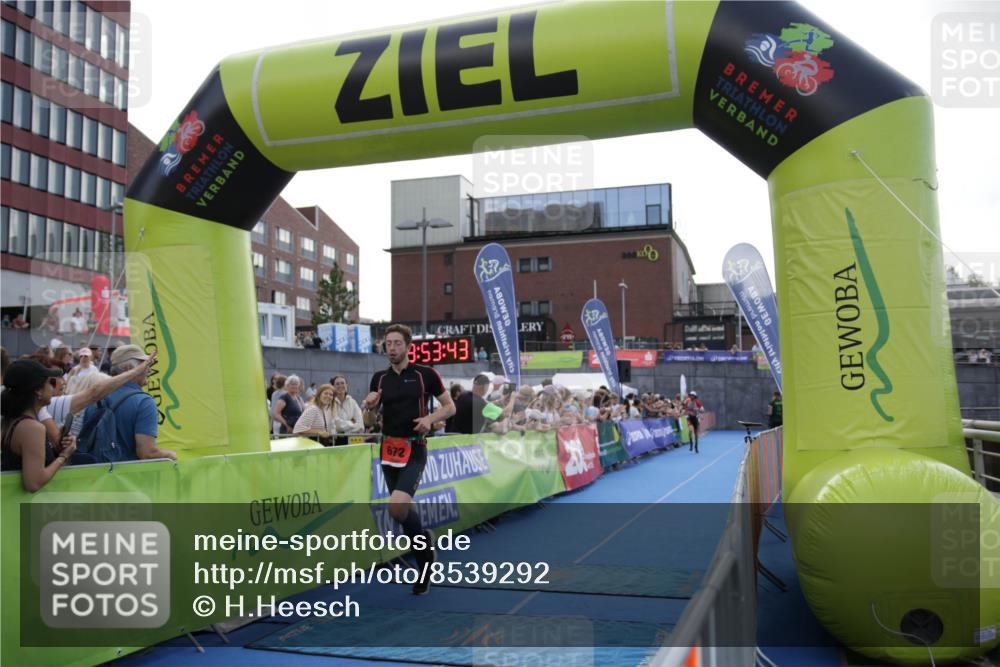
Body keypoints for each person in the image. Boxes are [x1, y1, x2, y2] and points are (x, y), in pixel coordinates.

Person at [365, 324, 455, 595]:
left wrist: (429, 418)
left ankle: (424, 557)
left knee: (395, 508)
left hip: (415, 448)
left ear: (407, 346)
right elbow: (369, 421)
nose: (391, 348)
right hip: (389, 449)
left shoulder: (425, 375)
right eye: (387, 344)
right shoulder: (379, 379)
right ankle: (425, 549)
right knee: (401, 510)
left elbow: (450, 407)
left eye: (396, 343)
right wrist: (368, 407)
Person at [87, 345, 176, 461]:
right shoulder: (144, 402)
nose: (149, 369)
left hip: (94, 475)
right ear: (129, 369)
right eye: (144, 365)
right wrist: (171, 455)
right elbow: (147, 453)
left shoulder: (95, 396)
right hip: (129, 477)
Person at [1, 360, 78, 491]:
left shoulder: (11, 420)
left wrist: (56, 448)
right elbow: (34, 483)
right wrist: (64, 455)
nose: (53, 387)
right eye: (51, 382)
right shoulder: (32, 428)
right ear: (38, 390)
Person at [330, 375, 364, 443]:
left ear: (346, 385)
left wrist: (344, 431)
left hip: (351, 440)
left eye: (343, 383)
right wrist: (351, 423)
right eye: (337, 384)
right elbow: (336, 424)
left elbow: (360, 425)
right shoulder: (330, 402)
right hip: (334, 441)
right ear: (333, 387)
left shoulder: (352, 401)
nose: (340, 385)